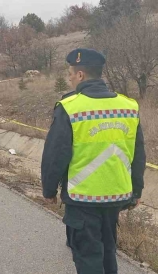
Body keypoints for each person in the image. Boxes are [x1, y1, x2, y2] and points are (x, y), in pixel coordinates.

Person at [41, 48, 146, 274]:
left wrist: (49, 190)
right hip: (116, 195)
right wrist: (136, 191)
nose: (69, 77)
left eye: (71, 73)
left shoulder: (70, 108)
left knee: (88, 256)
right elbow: (138, 154)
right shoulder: (129, 106)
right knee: (108, 251)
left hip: (83, 198)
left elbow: (56, 154)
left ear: (80, 75)